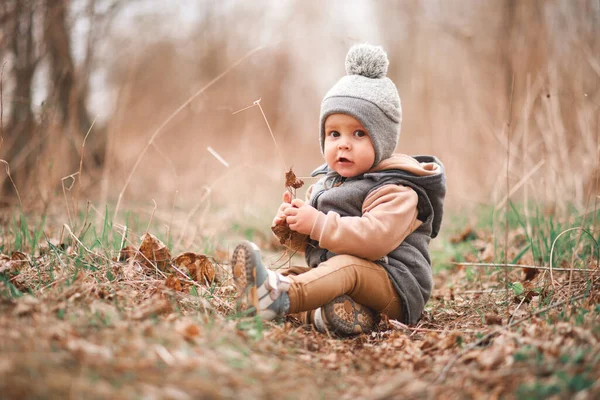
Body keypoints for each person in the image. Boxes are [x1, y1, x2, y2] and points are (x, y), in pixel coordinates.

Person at [231, 43, 446, 336]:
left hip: (396, 288)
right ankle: (324, 314)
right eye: (334, 133)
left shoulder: (398, 189)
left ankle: (278, 297)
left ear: (382, 140)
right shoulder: (326, 186)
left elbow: (373, 240)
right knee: (296, 275)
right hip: (349, 283)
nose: (343, 143)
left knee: (347, 268)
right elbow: (319, 246)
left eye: (359, 133)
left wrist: (317, 223)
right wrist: (294, 228)